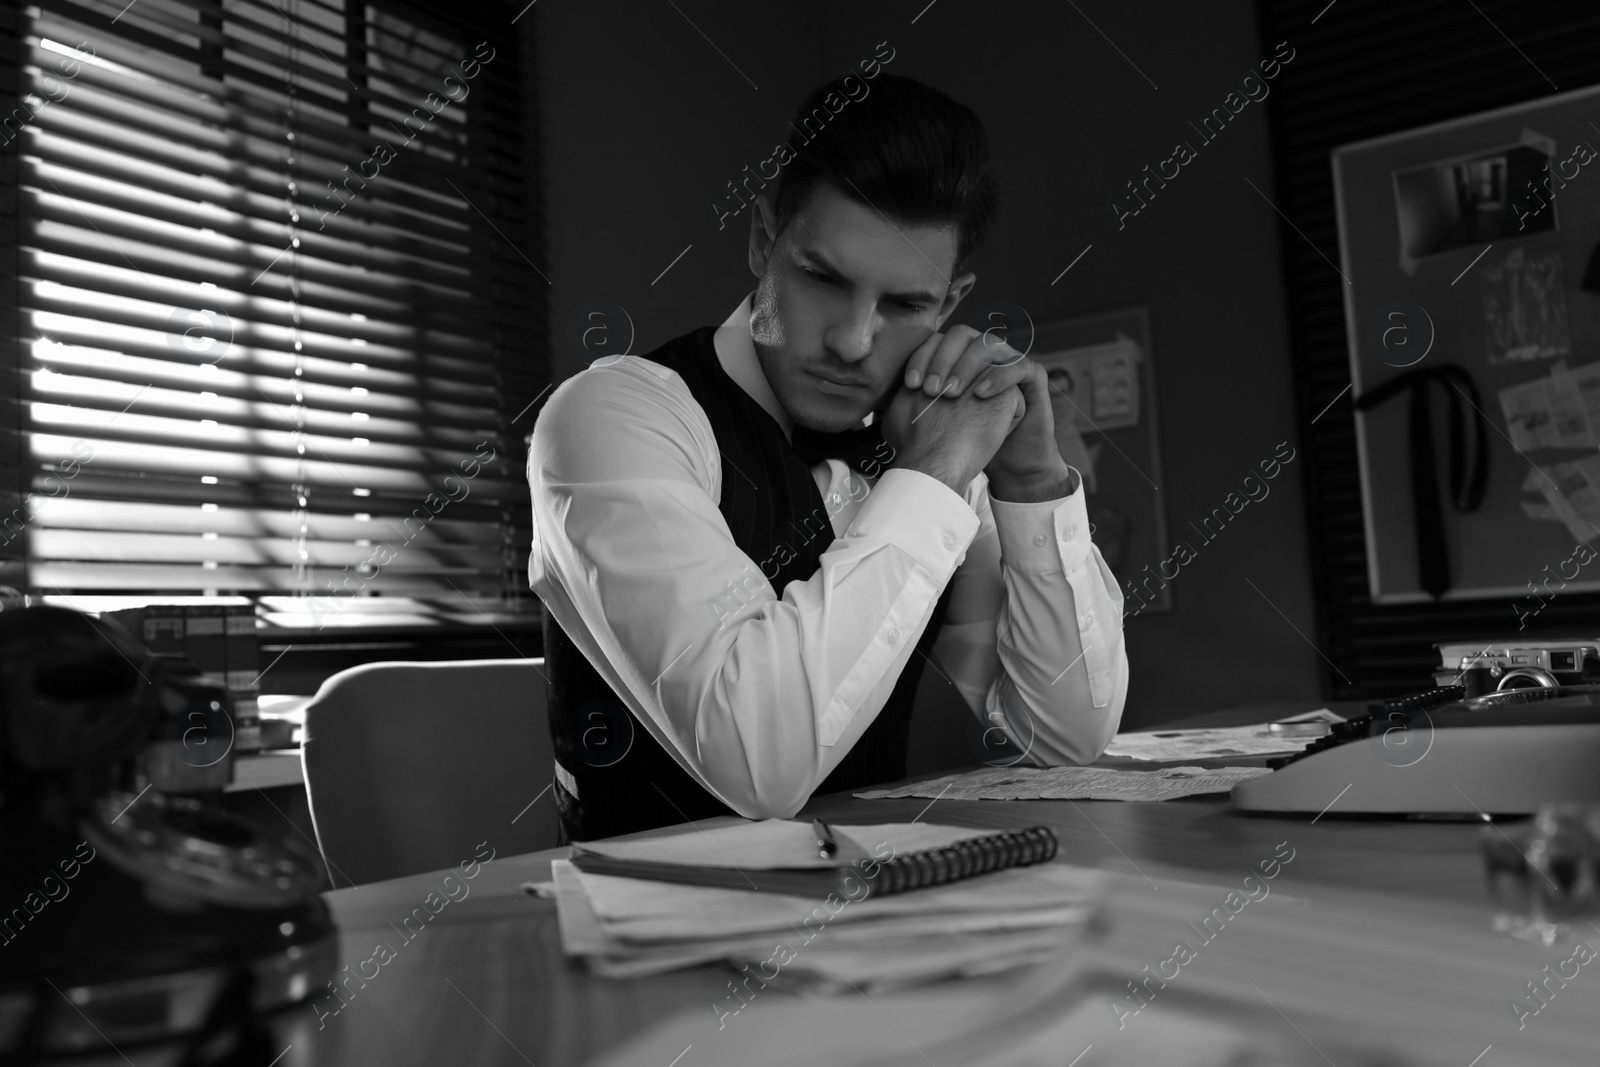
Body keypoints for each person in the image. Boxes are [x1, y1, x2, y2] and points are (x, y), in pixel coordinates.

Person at [529, 73, 1128, 841]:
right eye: (822, 278)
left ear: (948, 305)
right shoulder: (613, 417)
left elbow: (1068, 739)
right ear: (761, 238)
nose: (852, 340)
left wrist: (1031, 483)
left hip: (882, 917)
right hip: (646, 939)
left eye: (905, 305)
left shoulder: (926, 446)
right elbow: (759, 764)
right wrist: (934, 475)